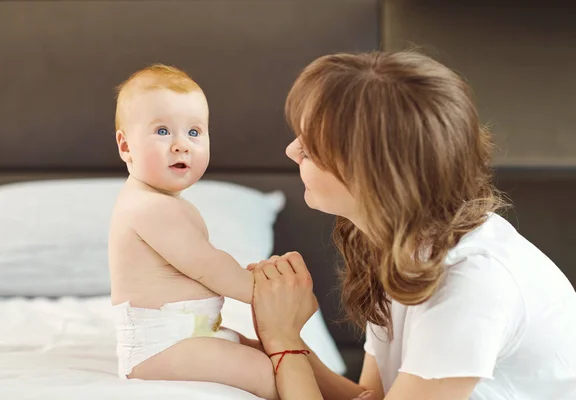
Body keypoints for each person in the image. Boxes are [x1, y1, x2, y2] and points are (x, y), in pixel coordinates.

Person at [248, 51, 576, 400]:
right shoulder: (398, 244)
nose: (290, 150)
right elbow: (371, 397)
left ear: (373, 175)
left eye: (310, 148)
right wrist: (275, 344)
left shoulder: (471, 282)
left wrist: (284, 343)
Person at [108, 64, 278, 400]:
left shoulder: (167, 204)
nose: (181, 145)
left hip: (194, 332)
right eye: (162, 131)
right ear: (126, 147)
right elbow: (210, 267)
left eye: (194, 133)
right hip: (160, 346)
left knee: (272, 354)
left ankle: (352, 394)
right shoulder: (149, 208)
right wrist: (269, 293)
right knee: (266, 372)